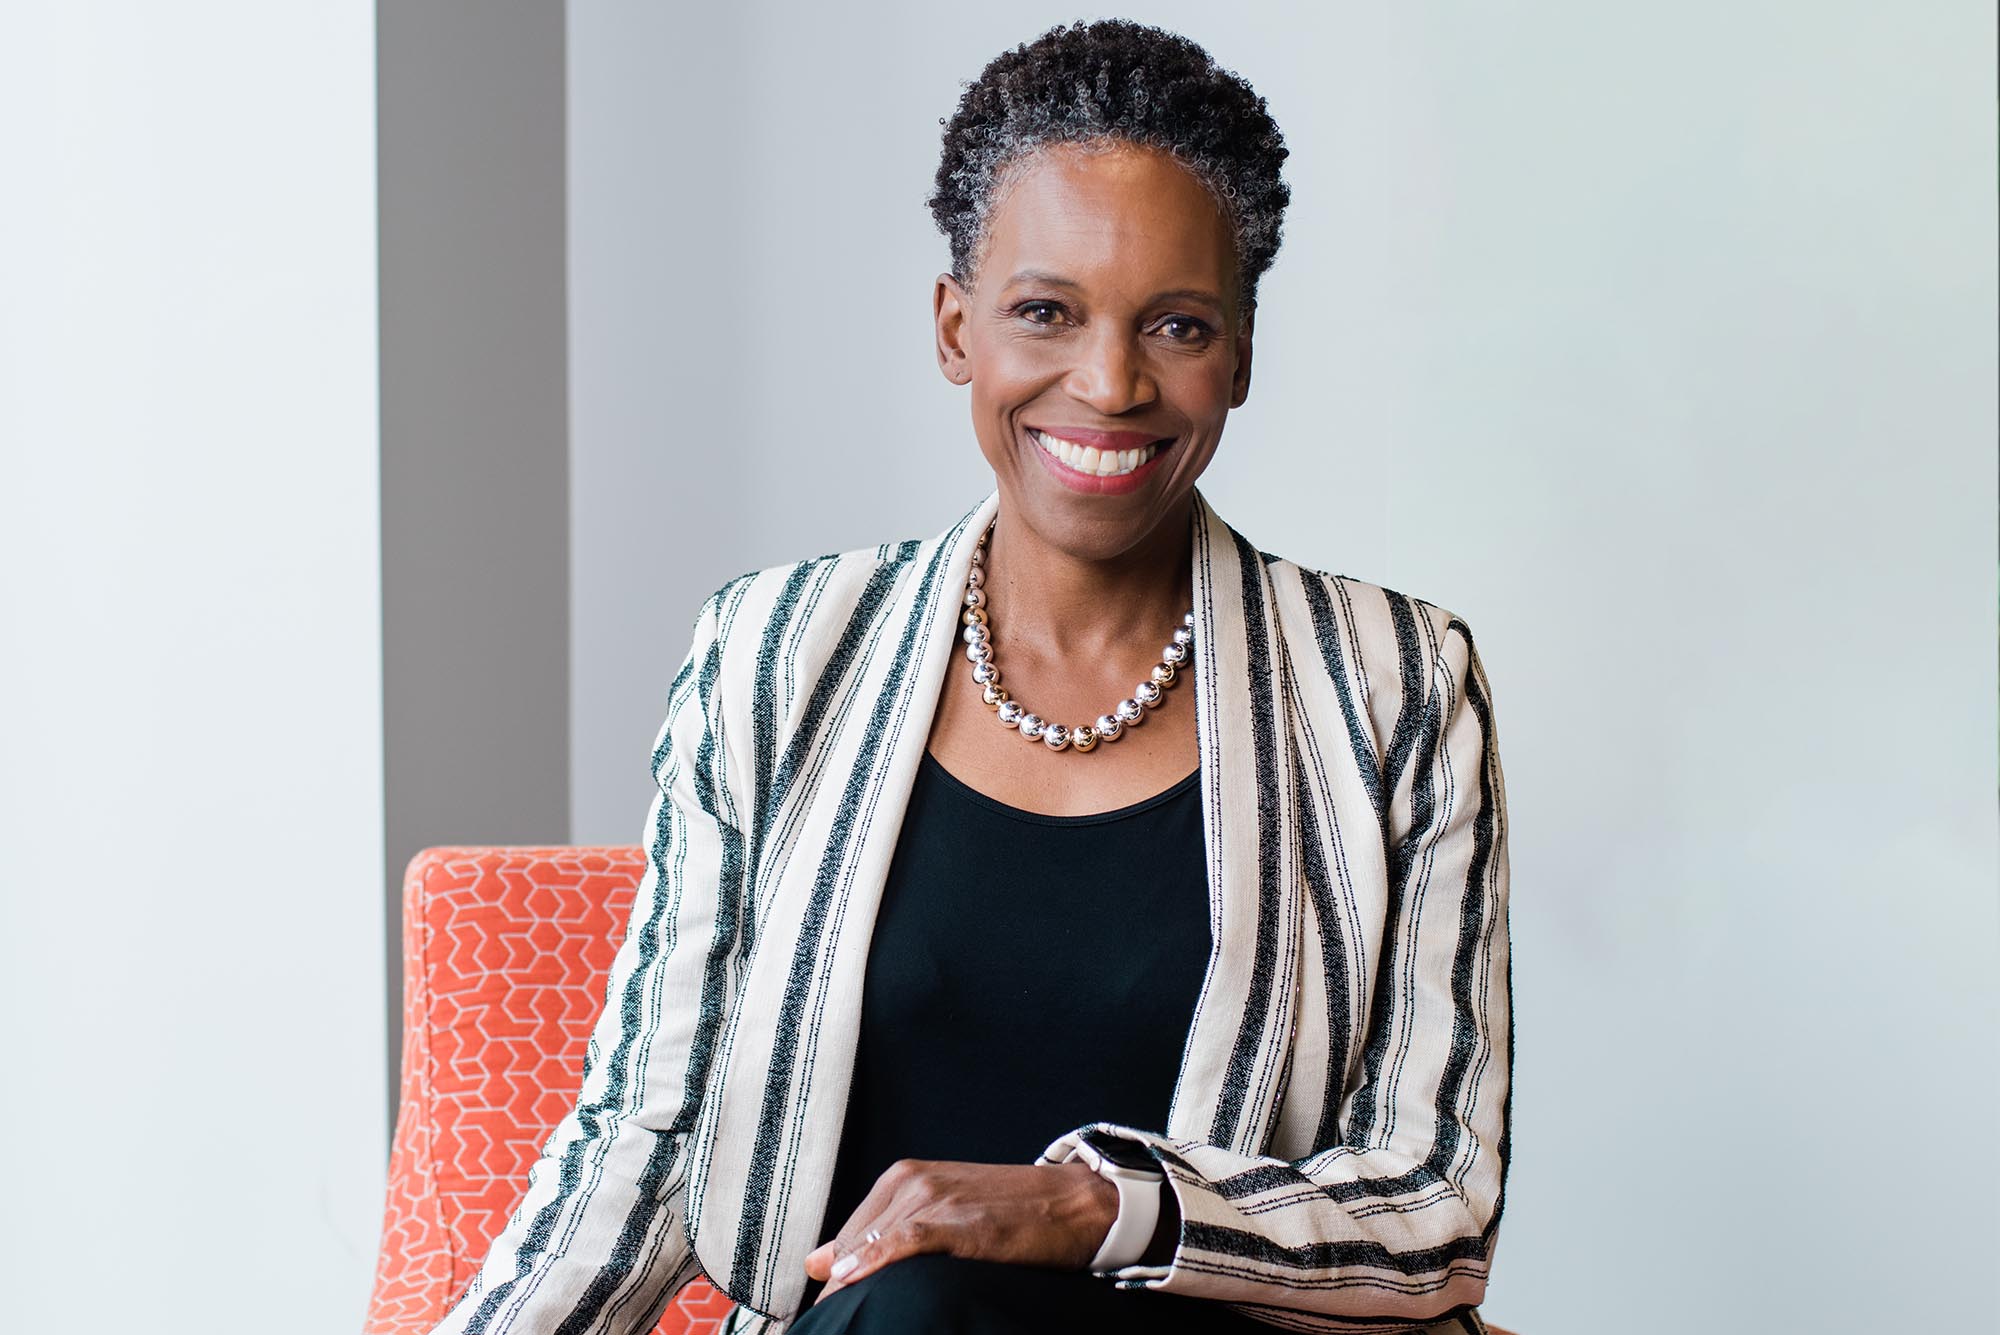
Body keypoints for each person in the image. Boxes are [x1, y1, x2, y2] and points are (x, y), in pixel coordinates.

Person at [429, 19, 1511, 1335]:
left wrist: (1087, 1206)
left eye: (1175, 324)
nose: (1107, 383)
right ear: (957, 329)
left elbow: (1434, 1207)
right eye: (1045, 312)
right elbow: (649, 1141)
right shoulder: (773, 656)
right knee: (922, 1313)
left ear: (1239, 354)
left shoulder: (1394, 686)